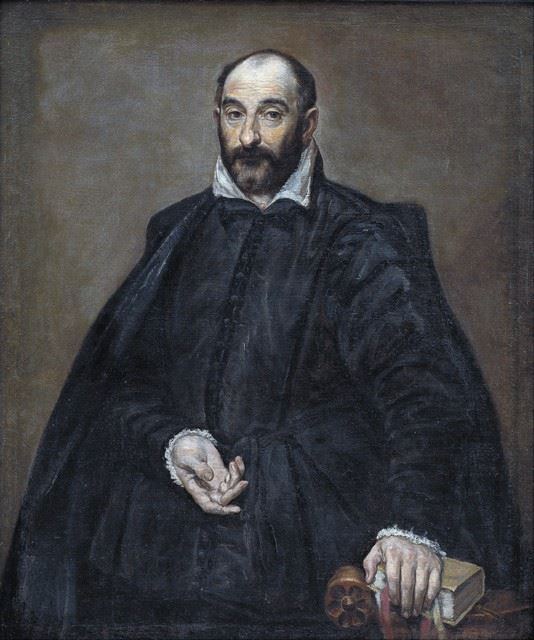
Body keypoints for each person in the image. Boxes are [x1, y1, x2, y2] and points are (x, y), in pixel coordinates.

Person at [0, 49, 518, 639]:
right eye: (234, 113)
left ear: (308, 124)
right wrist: (173, 442)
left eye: (271, 114)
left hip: (306, 557)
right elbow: (121, 389)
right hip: (159, 554)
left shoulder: (363, 238)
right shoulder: (175, 232)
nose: (248, 136)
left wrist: (411, 525)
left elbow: (421, 394)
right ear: (216, 118)